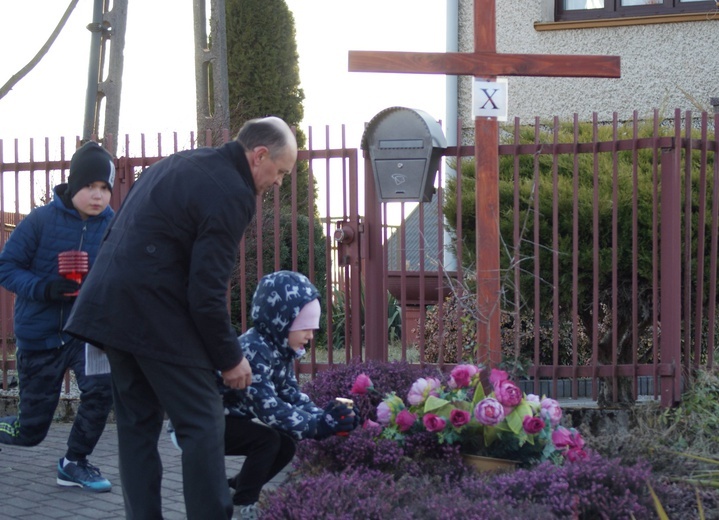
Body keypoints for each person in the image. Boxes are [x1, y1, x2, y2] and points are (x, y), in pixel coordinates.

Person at [64, 117, 298, 520]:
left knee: (137, 429)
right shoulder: (232, 192)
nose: (277, 183)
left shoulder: (179, 163)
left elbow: (117, 235)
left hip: (110, 310)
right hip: (154, 316)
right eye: (279, 172)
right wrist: (229, 357)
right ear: (259, 156)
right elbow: (205, 293)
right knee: (204, 425)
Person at [0, 141, 116, 492]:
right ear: (73, 185)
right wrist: (45, 288)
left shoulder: (114, 225)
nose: (98, 196)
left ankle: (74, 463)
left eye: (105, 188)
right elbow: (7, 267)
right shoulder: (40, 221)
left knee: (100, 392)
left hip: (87, 333)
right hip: (42, 333)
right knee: (30, 431)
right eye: (90, 186)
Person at [218, 270, 359, 519]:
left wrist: (327, 416)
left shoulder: (279, 349)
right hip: (205, 421)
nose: (310, 335)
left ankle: (239, 486)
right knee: (268, 439)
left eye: (312, 327)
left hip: (232, 418)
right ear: (280, 320)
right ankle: (242, 504)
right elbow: (270, 409)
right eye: (304, 327)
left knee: (285, 443)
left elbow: (292, 396)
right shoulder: (253, 350)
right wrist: (318, 426)